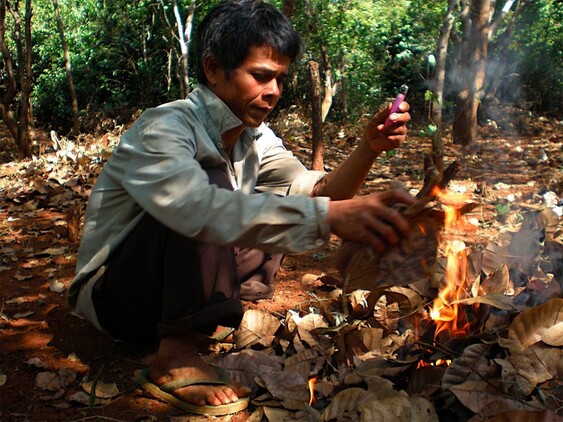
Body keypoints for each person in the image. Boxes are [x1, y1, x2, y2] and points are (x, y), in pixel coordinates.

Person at [67, 0, 413, 416]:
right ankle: (174, 356)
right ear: (214, 68)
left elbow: (318, 193)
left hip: (172, 294)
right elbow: (193, 208)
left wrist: (367, 150)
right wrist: (330, 219)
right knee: (209, 189)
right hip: (119, 302)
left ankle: (200, 317)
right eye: (261, 76)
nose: (274, 93)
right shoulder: (164, 126)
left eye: (280, 79)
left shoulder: (255, 138)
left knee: (279, 203)